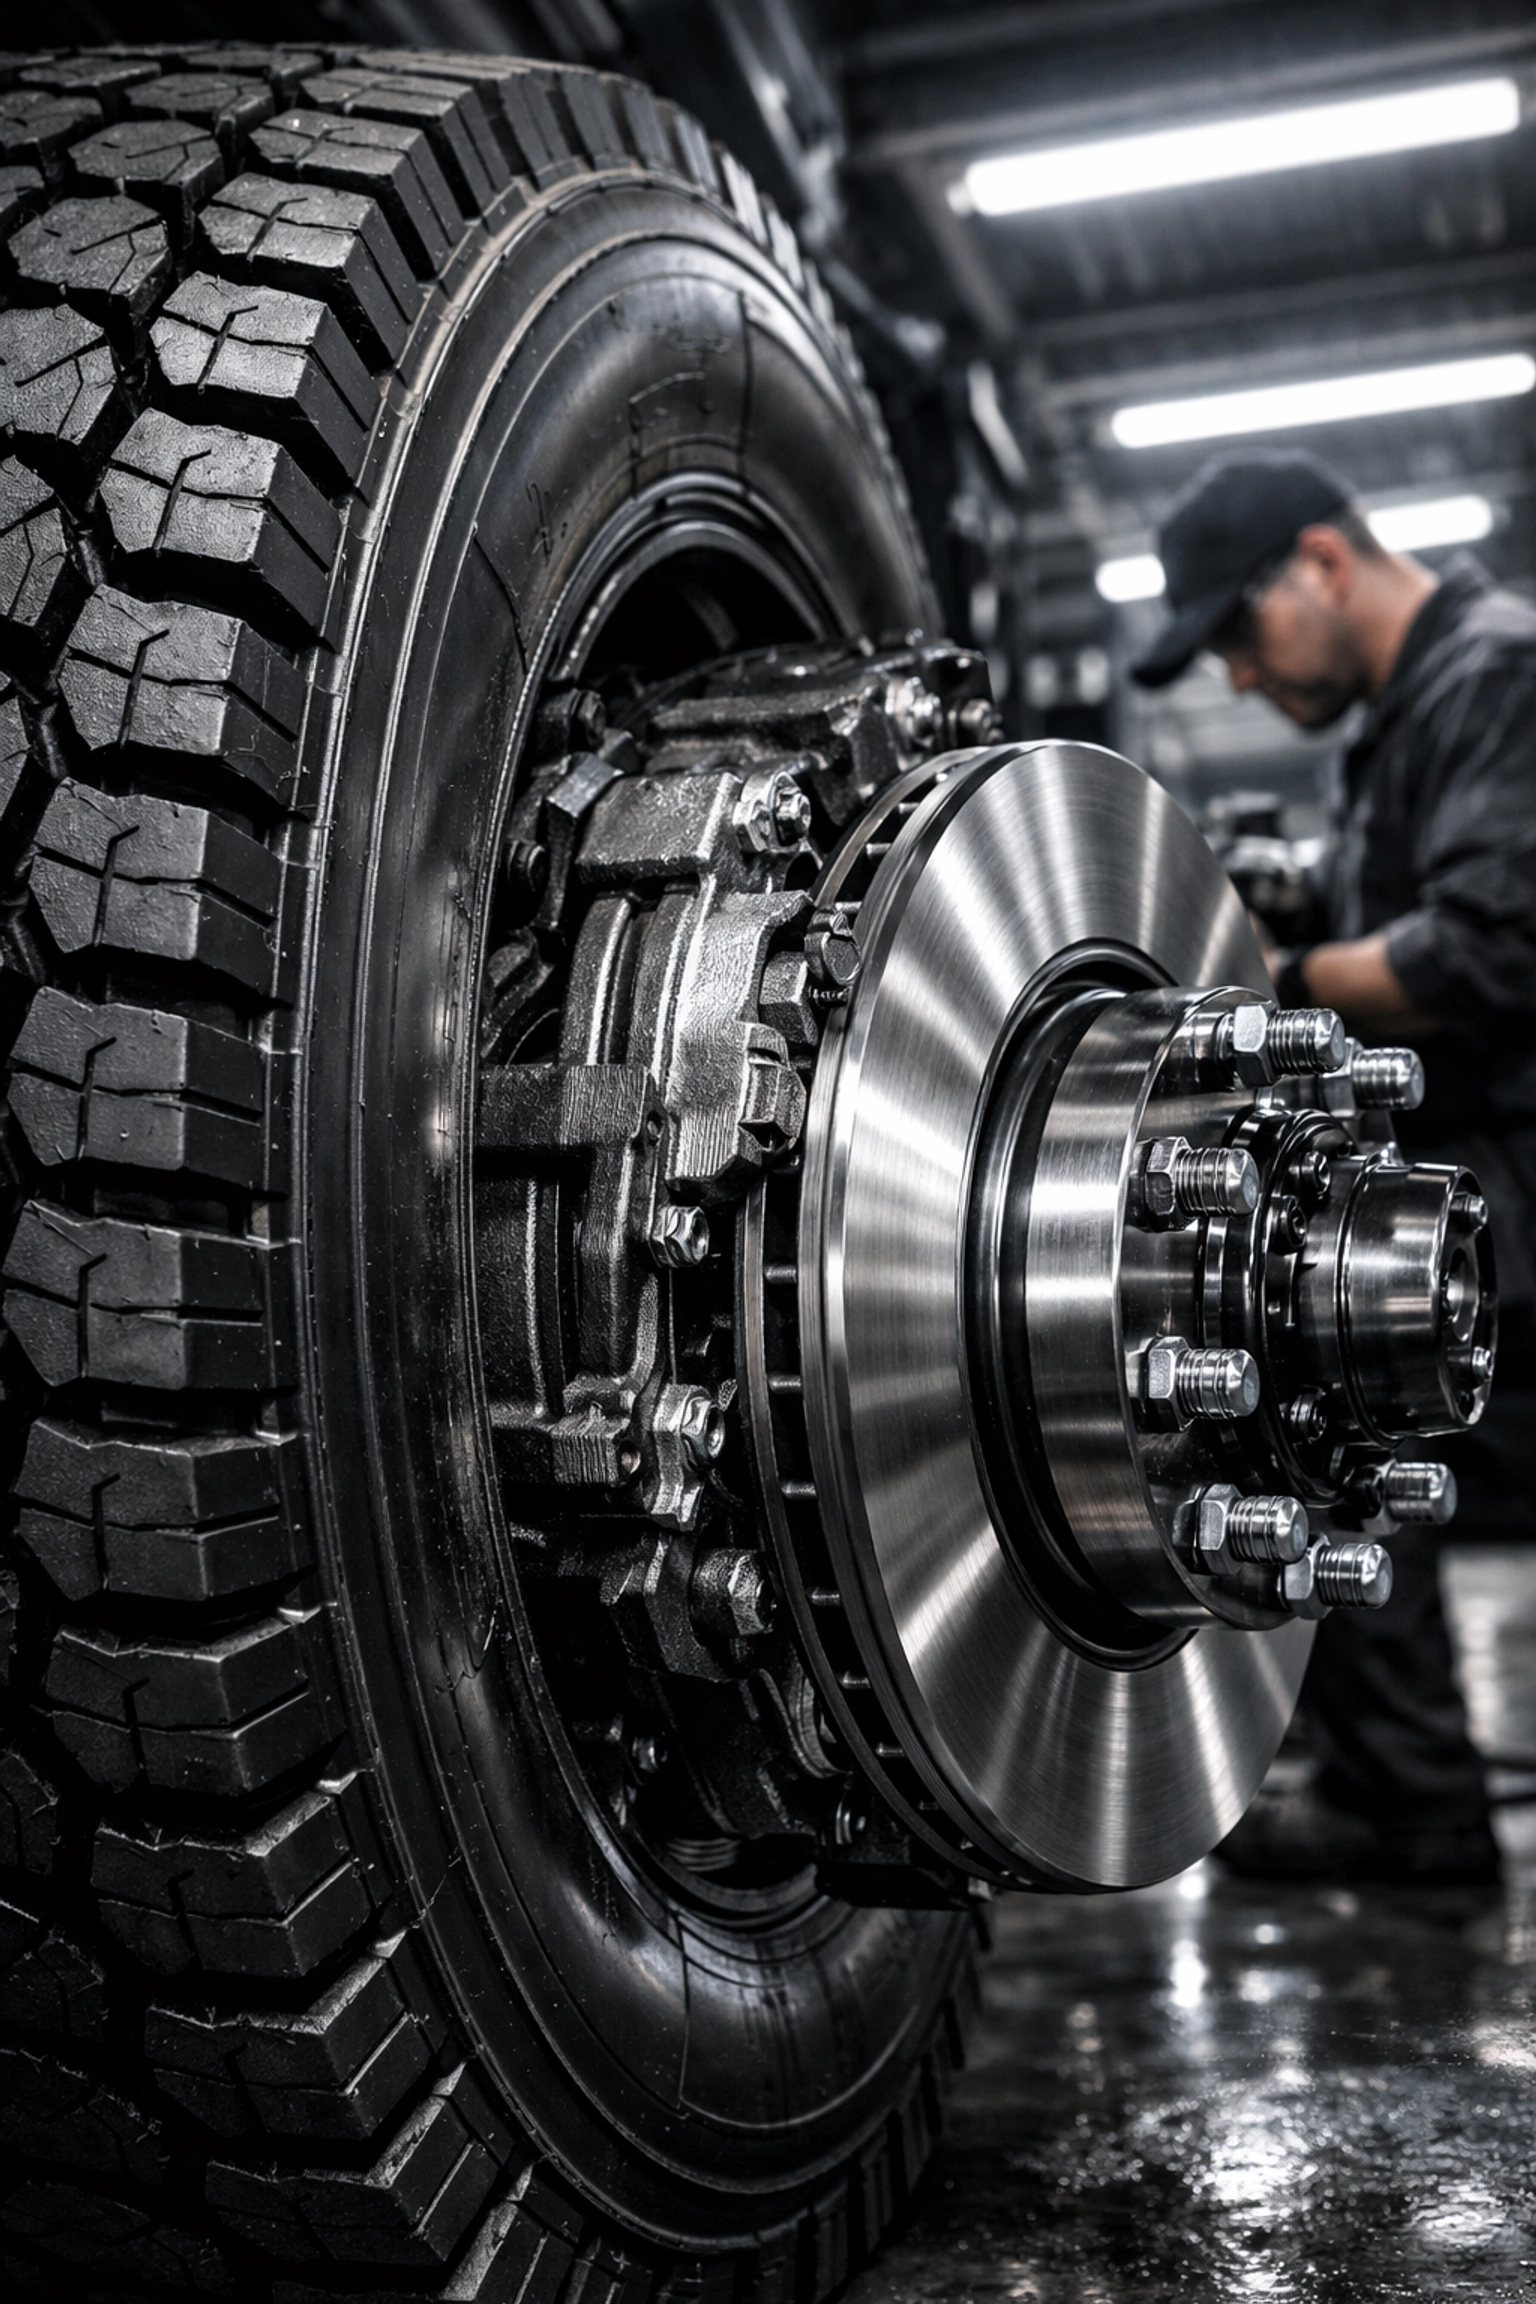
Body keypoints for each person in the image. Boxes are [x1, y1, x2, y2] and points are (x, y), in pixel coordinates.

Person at [1130, 447, 1536, 1885]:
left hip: (1508, 1183)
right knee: (1332, 1427)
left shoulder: (1492, 675)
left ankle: (1418, 1817)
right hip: (1477, 1172)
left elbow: (1493, 948)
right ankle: (1393, 1791)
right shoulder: (1415, 710)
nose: (1240, 678)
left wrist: (1284, 981)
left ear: (1322, 560)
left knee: (1333, 1414)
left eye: (1239, 634)